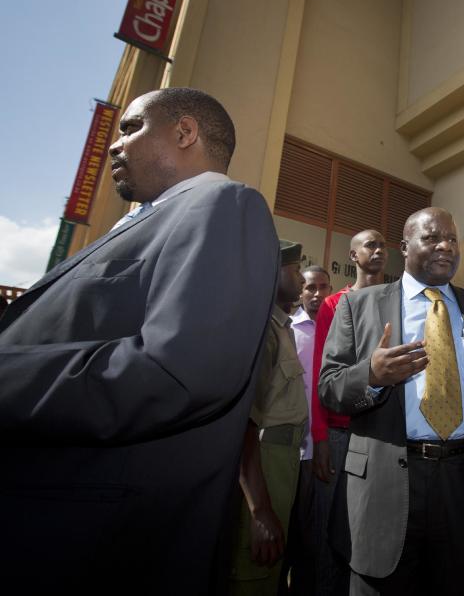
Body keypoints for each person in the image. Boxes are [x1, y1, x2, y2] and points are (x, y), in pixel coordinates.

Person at [0, 87, 278, 594]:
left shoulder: (222, 204)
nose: (114, 144)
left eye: (130, 128)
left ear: (184, 132)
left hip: (91, 538)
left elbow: (178, 371)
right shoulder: (142, 222)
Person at [318, 207, 464, 595]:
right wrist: (370, 376)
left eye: (453, 240)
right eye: (433, 237)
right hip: (386, 485)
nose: (445, 246)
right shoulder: (359, 306)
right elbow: (329, 387)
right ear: (405, 247)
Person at [310, 229, 389, 596]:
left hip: (382, 432)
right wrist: (322, 437)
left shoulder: (398, 302)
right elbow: (321, 375)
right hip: (341, 434)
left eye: (382, 245)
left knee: (370, 529)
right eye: (370, 245)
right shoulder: (334, 304)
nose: (378, 251)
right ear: (353, 256)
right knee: (332, 528)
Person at [230, 240, 310, 596]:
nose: (301, 277)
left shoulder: (281, 327)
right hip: (265, 462)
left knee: (270, 570)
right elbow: (243, 424)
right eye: (294, 270)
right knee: (254, 572)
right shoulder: (264, 332)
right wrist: (260, 509)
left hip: (283, 461)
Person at [282, 265, 332, 595]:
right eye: (311, 287)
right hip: (288, 450)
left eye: (323, 287)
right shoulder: (287, 330)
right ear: (301, 292)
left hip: (323, 449)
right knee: (286, 529)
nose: (317, 294)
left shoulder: (338, 331)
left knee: (316, 535)